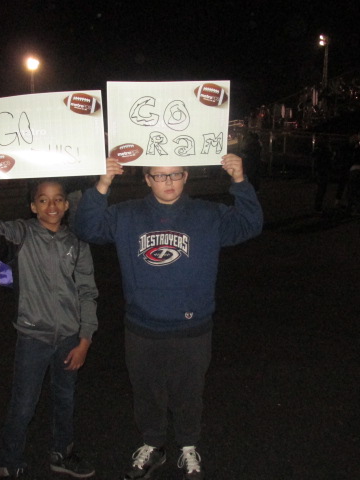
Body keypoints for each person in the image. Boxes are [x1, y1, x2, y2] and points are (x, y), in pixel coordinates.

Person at [75, 154, 263, 480]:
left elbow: (250, 224)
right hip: (142, 325)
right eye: (160, 176)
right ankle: (153, 443)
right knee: (147, 392)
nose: (169, 182)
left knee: (189, 393)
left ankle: (188, 445)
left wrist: (239, 181)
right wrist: (103, 183)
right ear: (147, 179)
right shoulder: (127, 214)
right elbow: (86, 227)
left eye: (175, 174)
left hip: (193, 326)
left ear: (186, 175)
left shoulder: (208, 214)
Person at [0, 148, 99, 480]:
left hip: (69, 338)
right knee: (23, 404)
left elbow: (87, 292)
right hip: (32, 338)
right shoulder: (21, 235)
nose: (51, 206)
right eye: (43, 200)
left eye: (58, 199)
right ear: (33, 206)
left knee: (65, 399)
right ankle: (10, 462)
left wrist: (84, 340)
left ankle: (62, 453)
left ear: (66, 205)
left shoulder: (78, 243)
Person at [312, 134, 335, 213]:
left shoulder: (318, 148)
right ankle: (318, 207)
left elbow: (313, 155)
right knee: (322, 189)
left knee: (320, 188)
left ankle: (318, 206)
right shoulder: (326, 149)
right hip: (324, 170)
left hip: (319, 169)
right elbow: (329, 158)